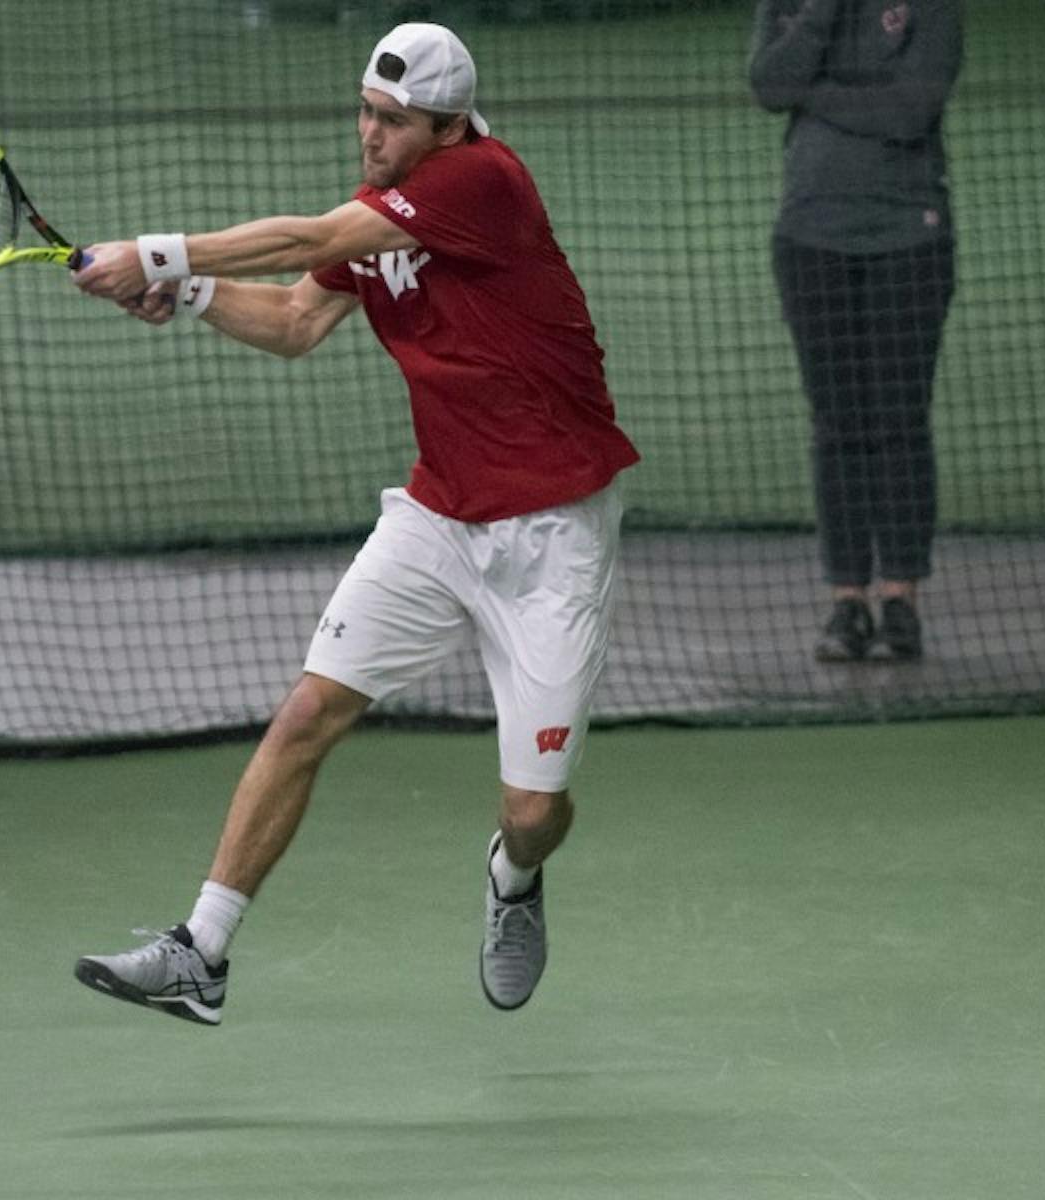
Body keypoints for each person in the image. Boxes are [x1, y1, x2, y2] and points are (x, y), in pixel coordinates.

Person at [68, 22, 641, 1025]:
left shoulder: (482, 181)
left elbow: (313, 238)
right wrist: (188, 290)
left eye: (393, 121)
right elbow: (294, 320)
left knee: (534, 810)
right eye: (365, 113)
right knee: (306, 714)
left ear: (448, 125)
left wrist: (151, 252)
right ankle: (200, 950)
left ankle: (512, 875)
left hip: (552, 534)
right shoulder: (386, 213)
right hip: (436, 516)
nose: (370, 134)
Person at [750, 0, 963, 661]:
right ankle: (848, 602)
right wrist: (819, 16)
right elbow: (769, 85)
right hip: (810, 240)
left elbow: (912, 109)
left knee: (899, 418)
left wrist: (816, 94)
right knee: (837, 423)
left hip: (909, 239)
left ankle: (901, 599)